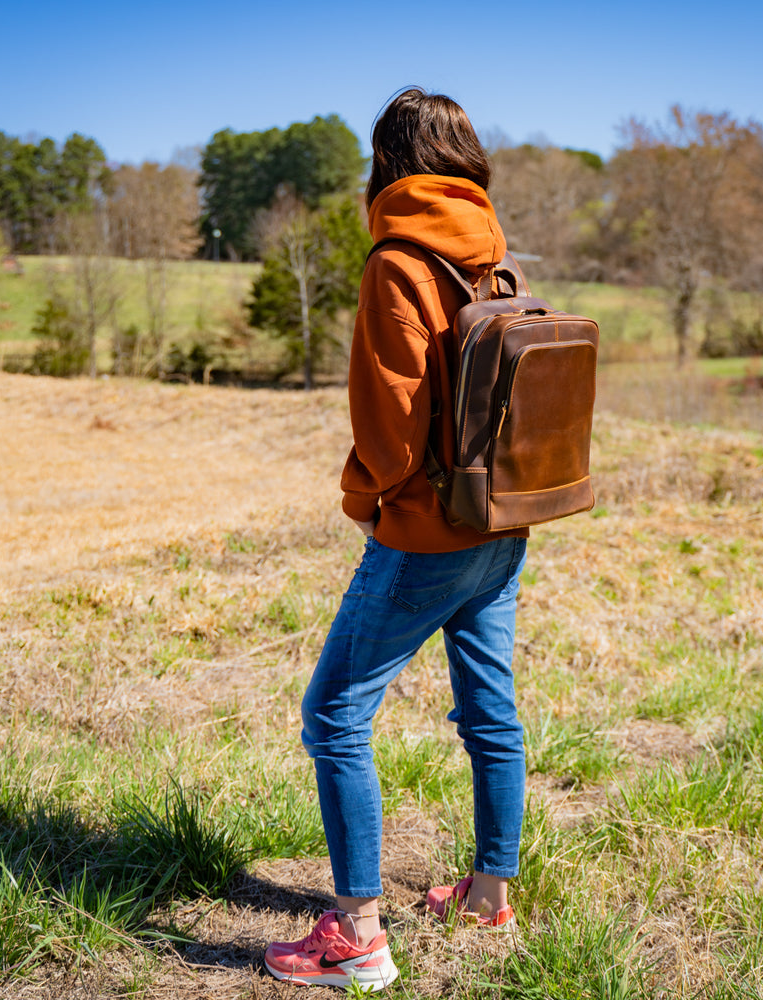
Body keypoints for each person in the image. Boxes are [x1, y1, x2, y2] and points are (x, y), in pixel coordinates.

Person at [263, 87, 529, 992]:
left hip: (425, 532)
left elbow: (386, 434)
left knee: (333, 715)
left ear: (387, 164)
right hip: (501, 521)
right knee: (489, 708)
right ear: (466, 159)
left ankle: (357, 935)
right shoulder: (495, 258)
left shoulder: (397, 264)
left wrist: (367, 501)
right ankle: (491, 893)